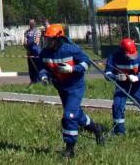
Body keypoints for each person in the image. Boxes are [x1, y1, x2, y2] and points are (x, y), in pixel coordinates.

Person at [36, 24, 105, 158]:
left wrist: (73, 69)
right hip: (61, 88)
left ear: (59, 39)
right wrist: (44, 76)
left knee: (69, 116)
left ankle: (70, 149)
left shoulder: (72, 50)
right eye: (47, 39)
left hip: (75, 87)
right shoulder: (44, 53)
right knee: (76, 114)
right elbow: (42, 68)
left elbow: (86, 63)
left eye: (51, 40)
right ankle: (97, 129)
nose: (48, 42)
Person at [105, 37, 140, 135]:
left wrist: (137, 77)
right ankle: (119, 131)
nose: (132, 56)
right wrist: (116, 77)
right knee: (117, 106)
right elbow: (107, 73)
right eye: (129, 54)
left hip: (138, 86)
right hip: (122, 86)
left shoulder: (139, 58)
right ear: (123, 51)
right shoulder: (113, 57)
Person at [24, 18, 42, 84]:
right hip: (29, 51)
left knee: (37, 66)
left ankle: (39, 80)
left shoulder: (38, 31)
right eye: (30, 23)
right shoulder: (26, 32)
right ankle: (33, 80)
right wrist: (26, 46)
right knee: (31, 66)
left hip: (36, 51)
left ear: (35, 23)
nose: (31, 24)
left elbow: (37, 40)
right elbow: (25, 42)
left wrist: (29, 43)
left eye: (32, 23)